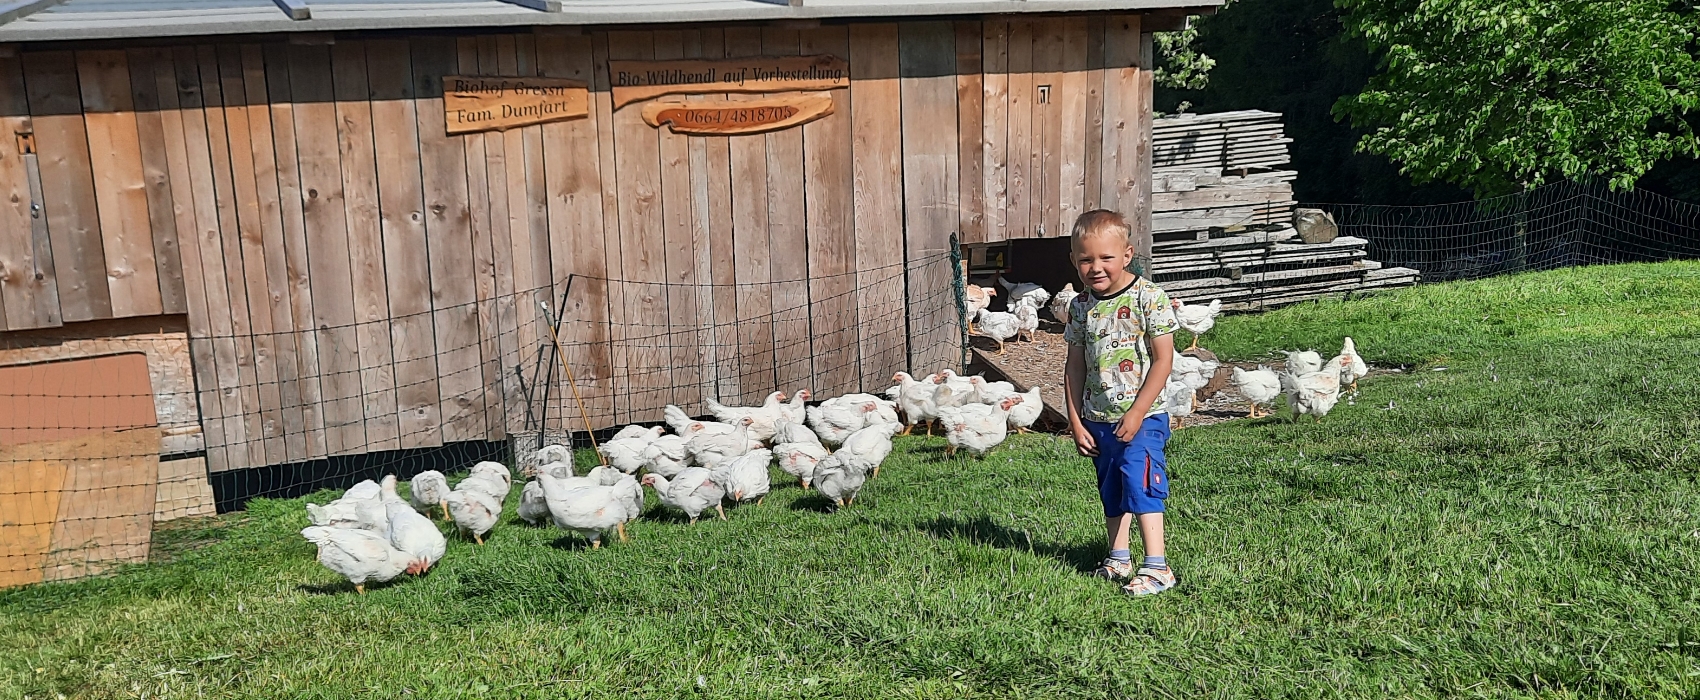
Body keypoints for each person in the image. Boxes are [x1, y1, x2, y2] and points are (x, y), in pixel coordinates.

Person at [1062, 209, 1179, 596]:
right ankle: (1118, 558)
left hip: (1143, 417)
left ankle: (1158, 567)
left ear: (1127, 255)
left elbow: (1163, 360)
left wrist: (1137, 411)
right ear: (1074, 260)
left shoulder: (1149, 297)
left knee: (1140, 483)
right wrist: (1076, 420)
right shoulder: (1080, 306)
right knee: (1112, 487)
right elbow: (1074, 366)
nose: (1095, 267)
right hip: (1098, 418)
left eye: (1106, 258)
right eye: (1085, 259)